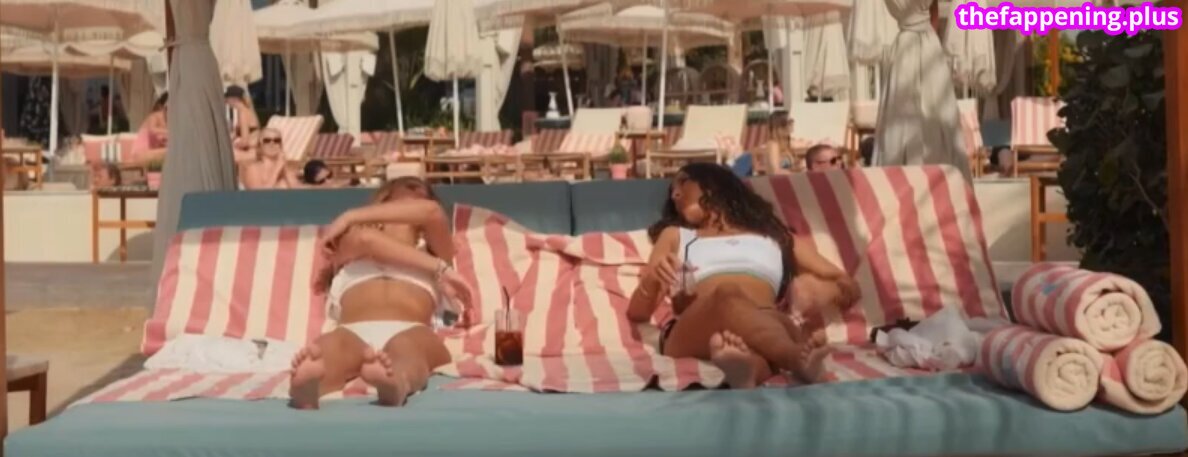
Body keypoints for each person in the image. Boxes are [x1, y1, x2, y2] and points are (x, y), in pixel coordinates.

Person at [627, 163, 860, 389]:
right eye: (672, 190)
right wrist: (654, 278)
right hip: (697, 325)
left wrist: (818, 291)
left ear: (713, 184)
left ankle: (750, 371)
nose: (675, 194)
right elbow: (637, 312)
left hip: (767, 319)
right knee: (728, 293)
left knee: (768, 334)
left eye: (683, 182)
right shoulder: (676, 235)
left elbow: (845, 283)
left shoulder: (775, 235)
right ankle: (795, 359)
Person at [289, 177, 474, 409]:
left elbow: (432, 212)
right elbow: (367, 240)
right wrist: (351, 218)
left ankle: (396, 383)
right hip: (351, 330)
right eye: (403, 195)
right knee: (330, 350)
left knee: (408, 350)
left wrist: (350, 215)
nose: (415, 187)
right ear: (383, 202)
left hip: (411, 328)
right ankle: (309, 387)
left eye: (420, 196)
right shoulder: (352, 241)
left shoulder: (435, 250)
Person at [129, 92, 169, 165]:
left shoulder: (168, 122)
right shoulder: (154, 117)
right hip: (141, 154)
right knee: (169, 152)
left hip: (152, 153)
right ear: (163, 107)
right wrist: (168, 132)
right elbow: (152, 130)